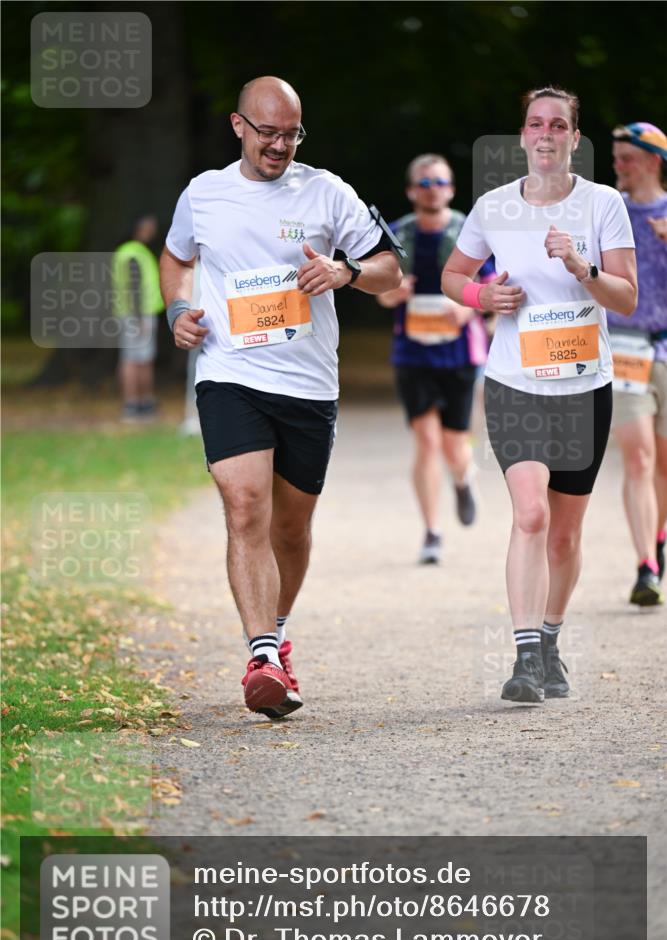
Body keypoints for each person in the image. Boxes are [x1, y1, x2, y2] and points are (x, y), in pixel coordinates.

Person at [159, 77, 401, 717]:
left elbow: (389, 268)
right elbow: (175, 257)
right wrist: (178, 308)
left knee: (290, 530)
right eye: (268, 132)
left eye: (291, 133)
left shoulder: (327, 191)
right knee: (245, 508)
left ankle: (280, 633)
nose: (280, 145)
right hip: (229, 372)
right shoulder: (203, 194)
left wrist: (346, 272)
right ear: (238, 126)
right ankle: (262, 655)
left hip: (308, 382)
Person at [443, 86, 637, 703]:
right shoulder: (494, 207)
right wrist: (483, 298)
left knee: (564, 535)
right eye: (535, 124)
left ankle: (551, 638)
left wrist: (582, 267)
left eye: (558, 125)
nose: (546, 134)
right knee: (530, 514)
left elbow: (626, 296)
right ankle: (525, 656)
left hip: (585, 387)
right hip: (514, 384)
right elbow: (453, 276)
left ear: (575, 139)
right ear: (523, 136)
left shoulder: (604, 204)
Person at [376, 154, 494, 564]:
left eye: (439, 182)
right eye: (424, 183)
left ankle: (463, 479)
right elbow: (380, 289)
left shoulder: (470, 232)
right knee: (426, 441)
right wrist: (392, 294)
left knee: (454, 445)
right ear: (411, 191)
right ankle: (432, 532)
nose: (432, 189)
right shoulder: (397, 234)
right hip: (411, 351)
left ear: (452, 188)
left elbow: (493, 286)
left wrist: (470, 306)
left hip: (460, 351)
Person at [608, 122, 667, 606]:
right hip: (623, 347)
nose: (618, 166)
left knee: (663, 464)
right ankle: (646, 564)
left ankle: (657, 536)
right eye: (615, 157)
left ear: (652, 161)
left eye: (626, 157)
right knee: (639, 458)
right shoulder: (609, 212)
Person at [112, 215, 163, 422]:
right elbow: (133, 286)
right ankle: (134, 404)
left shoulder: (127, 251)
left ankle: (141, 403)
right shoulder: (134, 253)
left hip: (132, 313)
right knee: (134, 360)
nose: (152, 230)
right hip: (137, 314)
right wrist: (139, 316)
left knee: (138, 358)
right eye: (149, 226)